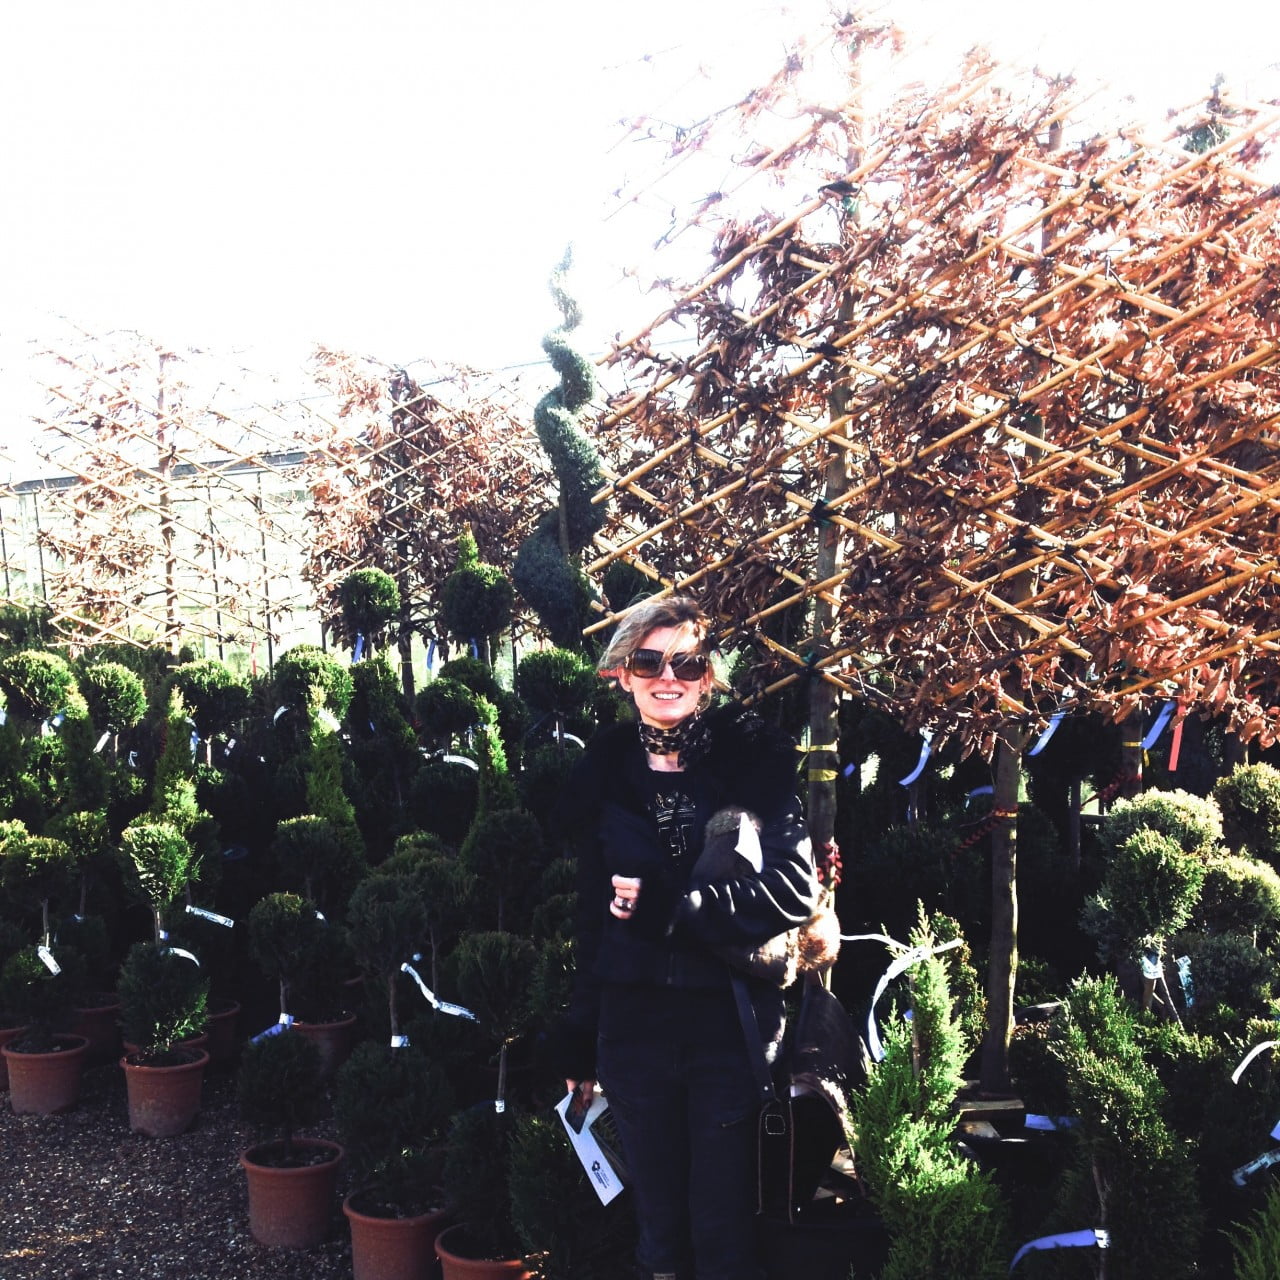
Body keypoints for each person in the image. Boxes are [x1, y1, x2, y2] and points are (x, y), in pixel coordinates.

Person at [553, 595, 820, 1280]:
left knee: (724, 1227)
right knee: (660, 1230)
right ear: (621, 674)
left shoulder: (751, 763)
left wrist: (678, 908)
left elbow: (794, 891)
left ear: (707, 678)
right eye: (649, 660)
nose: (666, 676)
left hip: (725, 1028)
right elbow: (590, 921)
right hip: (634, 1029)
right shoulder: (602, 778)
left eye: (686, 662)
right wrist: (580, 1040)